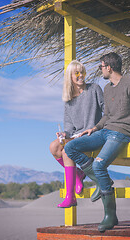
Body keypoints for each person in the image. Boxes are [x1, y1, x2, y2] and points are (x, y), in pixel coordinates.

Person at [64, 53, 130, 232]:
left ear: (108, 67)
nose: (100, 70)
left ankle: (110, 215)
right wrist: (94, 129)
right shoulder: (107, 88)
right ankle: (102, 182)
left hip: (122, 133)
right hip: (104, 131)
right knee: (70, 147)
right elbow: (107, 116)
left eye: (101, 66)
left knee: (99, 165)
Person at [49, 60, 104, 208]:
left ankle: (70, 196)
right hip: (76, 136)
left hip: (93, 133)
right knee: (54, 147)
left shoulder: (94, 89)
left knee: (67, 151)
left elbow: (107, 112)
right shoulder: (68, 99)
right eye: (77, 73)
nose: (81, 75)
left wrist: (97, 127)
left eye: (83, 72)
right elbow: (69, 127)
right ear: (70, 76)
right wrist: (63, 134)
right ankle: (78, 174)